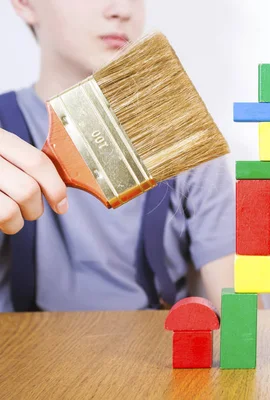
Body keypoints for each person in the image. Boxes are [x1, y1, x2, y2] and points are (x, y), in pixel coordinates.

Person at [0, 0, 235, 312]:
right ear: (25, 4)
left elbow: (242, 323)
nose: (122, 9)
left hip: (156, 352)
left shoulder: (183, 138)